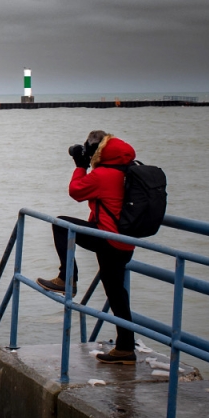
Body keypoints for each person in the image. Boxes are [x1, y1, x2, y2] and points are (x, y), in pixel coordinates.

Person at [37, 130, 138, 364]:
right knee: (116, 293)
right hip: (125, 241)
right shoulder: (126, 170)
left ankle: (66, 279)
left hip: (108, 239)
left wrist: (80, 166)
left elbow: (76, 191)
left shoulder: (103, 175)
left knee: (61, 224)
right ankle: (125, 348)